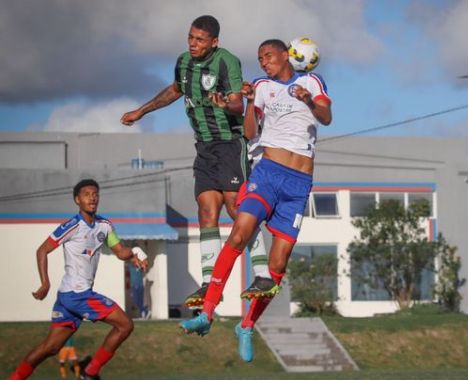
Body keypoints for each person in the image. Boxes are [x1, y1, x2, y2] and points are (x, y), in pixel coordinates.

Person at [180, 38, 332, 363]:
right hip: (267, 174)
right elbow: (250, 133)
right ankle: (207, 313)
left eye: (268, 56)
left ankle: (246, 326)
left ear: (286, 54)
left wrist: (309, 101)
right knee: (239, 233)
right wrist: (250, 103)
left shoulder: (310, 81)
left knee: (278, 265)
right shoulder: (262, 87)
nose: (263, 62)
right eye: (260, 58)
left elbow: (327, 117)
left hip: (299, 183)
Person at [120, 15, 271, 309]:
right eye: (190, 37)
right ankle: (208, 282)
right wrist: (142, 111)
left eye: (200, 39)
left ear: (214, 42)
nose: (193, 43)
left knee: (236, 206)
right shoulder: (183, 62)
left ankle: (263, 273)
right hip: (203, 147)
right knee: (206, 210)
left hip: (230, 143)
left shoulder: (227, 61)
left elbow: (239, 103)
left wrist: (224, 103)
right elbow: (175, 90)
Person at [8, 179, 148, 380]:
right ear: (77, 200)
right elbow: (42, 250)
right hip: (77, 294)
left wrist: (134, 253)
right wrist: (45, 282)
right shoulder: (72, 226)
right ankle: (89, 373)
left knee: (51, 347)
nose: (92, 198)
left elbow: (119, 251)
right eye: (86, 194)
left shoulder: (104, 226)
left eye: (95, 194)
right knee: (125, 325)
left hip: (68, 296)